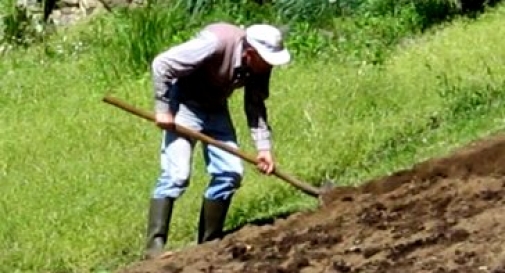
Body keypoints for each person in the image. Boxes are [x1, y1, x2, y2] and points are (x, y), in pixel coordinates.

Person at [143, 21, 291, 260]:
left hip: (215, 107)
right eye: (266, 60)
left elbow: (255, 105)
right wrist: (163, 109)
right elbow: (162, 63)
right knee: (176, 175)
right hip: (184, 105)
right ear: (251, 52)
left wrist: (264, 148)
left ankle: (208, 244)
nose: (268, 66)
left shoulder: (260, 65)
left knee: (230, 173)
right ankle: (154, 248)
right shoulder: (215, 42)